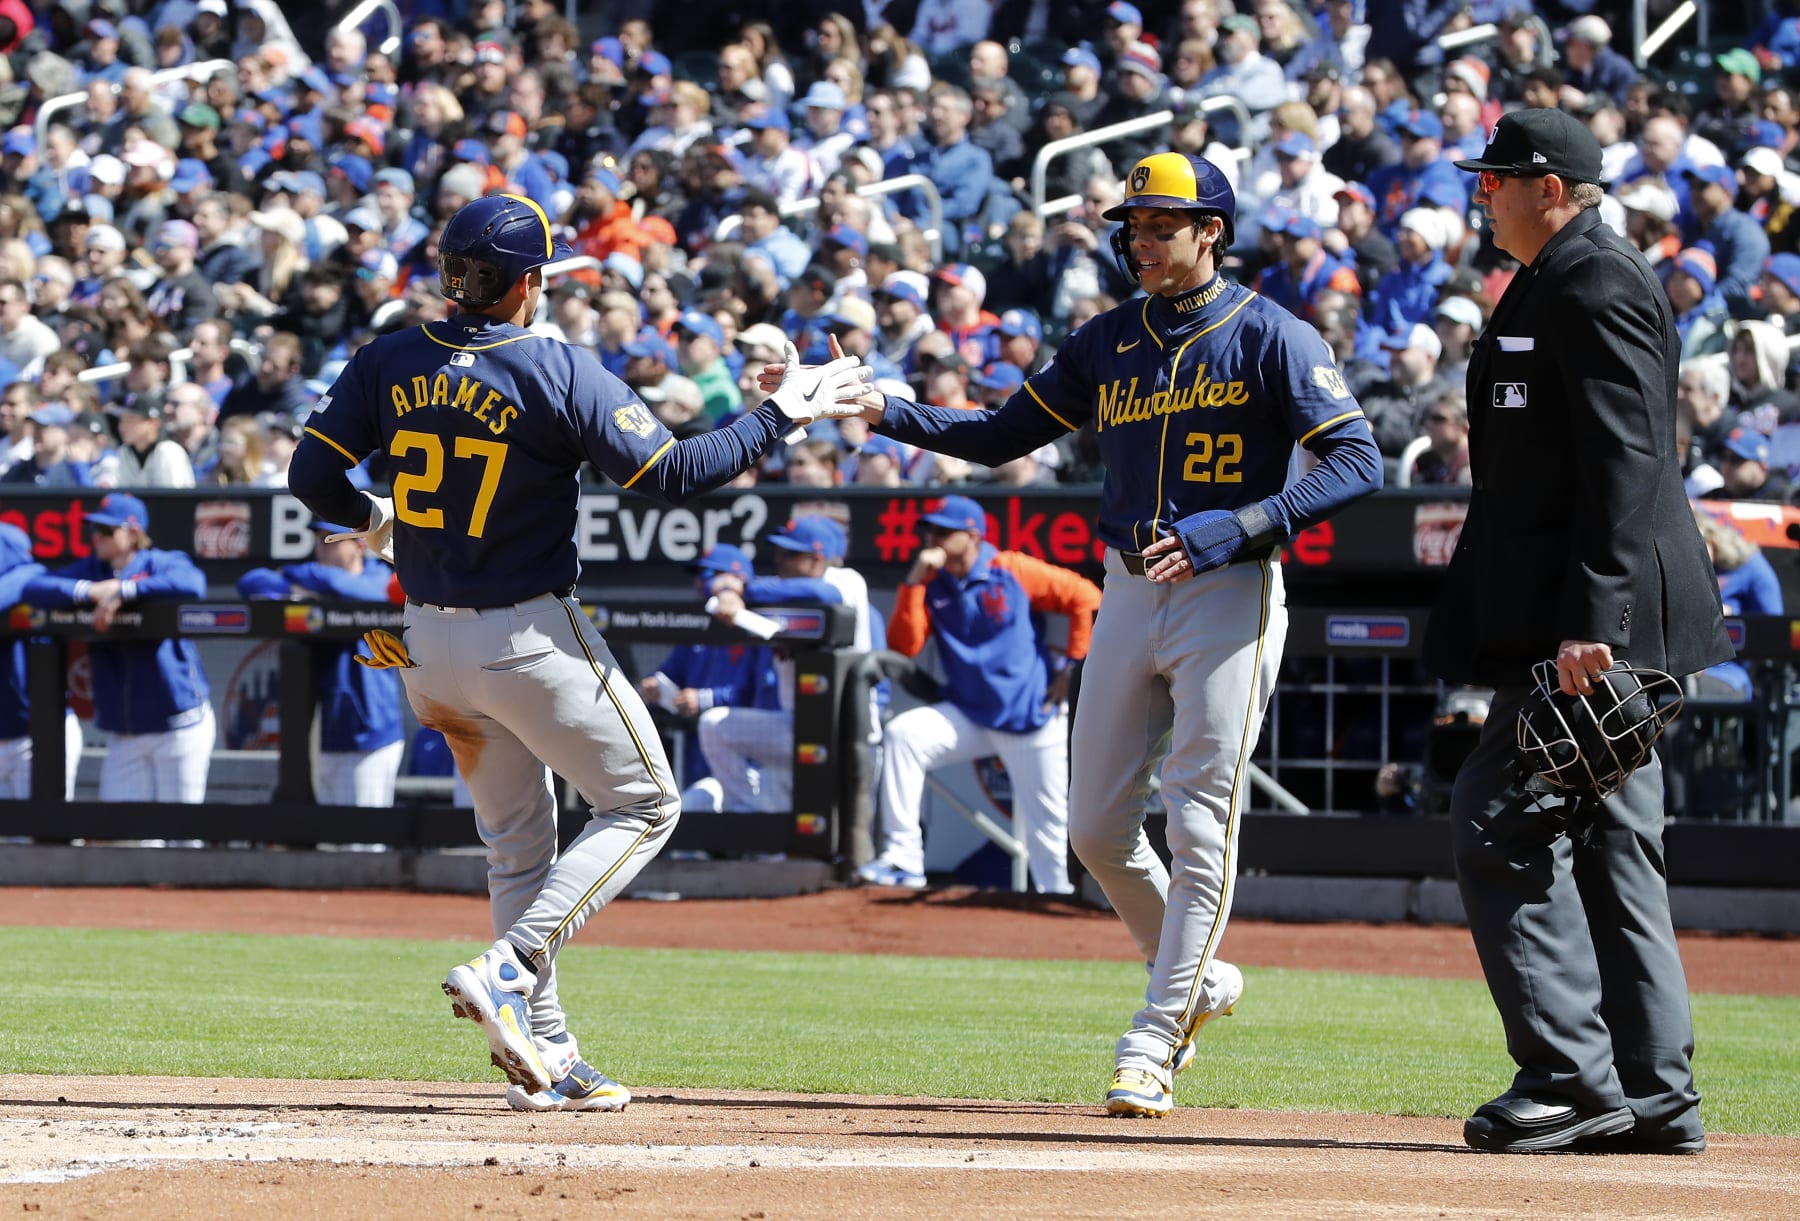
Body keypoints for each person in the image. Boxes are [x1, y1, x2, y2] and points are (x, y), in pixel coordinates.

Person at [820, 152, 1383, 1117]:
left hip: (1230, 589)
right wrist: (890, 411)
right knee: (1093, 829)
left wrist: (1247, 522)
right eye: (1133, 222)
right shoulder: (1107, 339)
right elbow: (1002, 433)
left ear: (1213, 229)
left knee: (1199, 811)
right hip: (1126, 584)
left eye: (1163, 221)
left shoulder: (1271, 335)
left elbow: (1356, 458)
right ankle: (1197, 978)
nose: (1142, 236)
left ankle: (1155, 1035)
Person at [285, 194, 871, 1113]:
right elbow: (671, 472)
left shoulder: (390, 353)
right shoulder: (553, 366)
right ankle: (511, 965)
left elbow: (311, 477)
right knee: (645, 802)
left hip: (424, 641)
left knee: (519, 850)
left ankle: (548, 1051)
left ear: (450, 272)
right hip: (524, 634)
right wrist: (782, 413)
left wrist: (379, 519)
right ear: (530, 283)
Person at [1431, 109, 1732, 1154]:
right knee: (1612, 845)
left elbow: (1627, 463)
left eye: (1496, 179)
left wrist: (1590, 624)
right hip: (1589, 616)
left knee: (1496, 814)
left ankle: (1567, 1078)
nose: (1483, 194)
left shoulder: (1593, 277)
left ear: (1547, 186)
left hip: (1594, 626)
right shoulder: (1564, 274)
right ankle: (1654, 1093)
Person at [858, 495, 1100, 894]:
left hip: (1029, 716)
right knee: (904, 734)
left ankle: (1053, 909)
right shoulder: (931, 582)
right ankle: (903, 858)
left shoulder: (1010, 568)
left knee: (1049, 831)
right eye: (930, 530)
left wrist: (1073, 668)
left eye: (942, 532)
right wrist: (914, 582)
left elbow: (1086, 597)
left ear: (972, 536)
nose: (932, 539)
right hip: (969, 713)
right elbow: (905, 646)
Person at [21, 493, 215, 805]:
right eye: (94, 529)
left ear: (133, 533)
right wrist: (88, 590)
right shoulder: (92, 570)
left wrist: (127, 590)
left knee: (180, 834)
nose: (96, 537)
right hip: (125, 732)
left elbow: (193, 583)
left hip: (178, 724)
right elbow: (35, 587)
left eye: (107, 531)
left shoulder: (160, 563)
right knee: (120, 837)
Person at [236, 520, 404, 807]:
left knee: (364, 840)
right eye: (318, 540)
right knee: (331, 836)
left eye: (332, 540)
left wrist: (311, 583)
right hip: (325, 735)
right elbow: (250, 582)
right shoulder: (312, 582)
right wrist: (309, 591)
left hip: (371, 734)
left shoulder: (378, 577)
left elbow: (373, 593)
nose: (321, 549)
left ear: (359, 546)